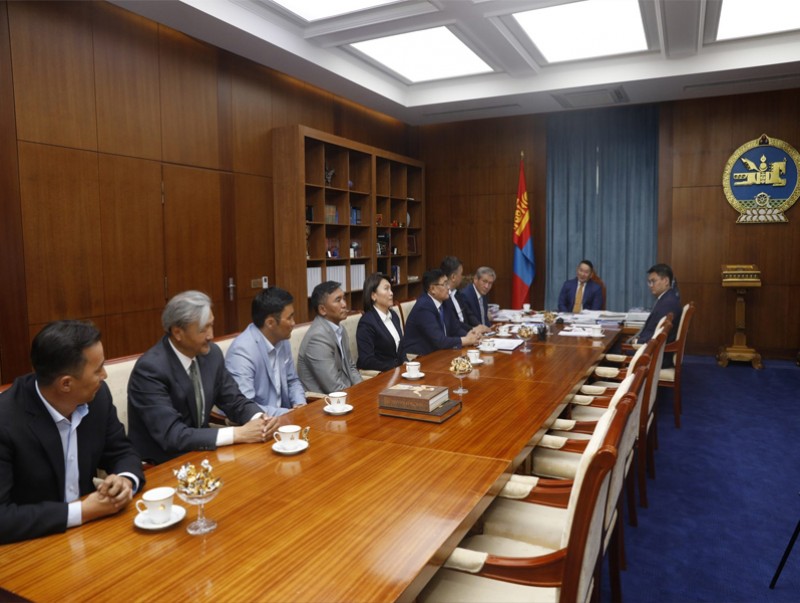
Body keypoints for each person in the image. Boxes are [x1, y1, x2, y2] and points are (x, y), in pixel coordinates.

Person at [0, 320, 144, 544]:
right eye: (98, 369)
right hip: (31, 544)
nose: (105, 375)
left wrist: (125, 481)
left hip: (91, 535)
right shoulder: (6, 420)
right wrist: (82, 511)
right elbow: (3, 518)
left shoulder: (97, 397)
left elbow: (122, 451)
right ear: (66, 384)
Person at [127, 291, 278, 465]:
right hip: (162, 463)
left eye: (211, 325)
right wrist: (238, 434)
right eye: (203, 329)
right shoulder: (150, 370)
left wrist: (260, 419)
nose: (211, 335)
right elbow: (172, 435)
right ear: (177, 332)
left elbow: (234, 400)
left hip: (202, 455)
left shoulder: (211, 354)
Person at [225, 287, 306, 417]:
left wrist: (300, 404)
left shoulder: (282, 339)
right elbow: (245, 406)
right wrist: (288, 414)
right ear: (270, 323)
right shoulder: (242, 352)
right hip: (259, 422)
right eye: (289, 318)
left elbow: (292, 381)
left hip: (286, 418)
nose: (293, 323)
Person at [297, 281, 363, 393]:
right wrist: (359, 396)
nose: (344, 304)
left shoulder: (341, 329)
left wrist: (363, 389)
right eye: (338, 300)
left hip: (346, 394)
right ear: (322, 310)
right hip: (325, 400)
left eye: (344, 298)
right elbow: (333, 387)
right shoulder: (317, 338)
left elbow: (351, 367)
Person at [399, 269, 481, 358]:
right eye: (444, 284)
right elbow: (439, 340)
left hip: (438, 352)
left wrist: (471, 335)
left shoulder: (444, 302)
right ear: (432, 289)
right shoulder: (423, 307)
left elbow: (455, 328)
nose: (448, 287)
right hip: (418, 357)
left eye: (447, 283)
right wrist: (466, 340)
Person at [356, 273, 403, 372]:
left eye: (391, 289)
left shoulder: (393, 316)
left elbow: (400, 350)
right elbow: (366, 360)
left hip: (398, 371)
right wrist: (394, 367)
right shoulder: (366, 322)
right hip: (381, 374)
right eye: (386, 289)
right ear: (373, 296)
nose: (391, 293)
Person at [440, 256, 491, 334]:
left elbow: (468, 314)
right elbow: (455, 324)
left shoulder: (457, 294)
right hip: (460, 336)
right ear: (453, 277)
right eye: (461, 274)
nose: (462, 277)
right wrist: (473, 330)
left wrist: (480, 327)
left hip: (469, 333)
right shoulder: (443, 298)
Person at [637, 263, 683, 346]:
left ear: (666, 281)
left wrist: (636, 342)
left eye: (653, 281)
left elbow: (657, 335)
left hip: (650, 350)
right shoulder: (666, 298)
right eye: (649, 282)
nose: (650, 285)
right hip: (649, 346)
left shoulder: (668, 303)